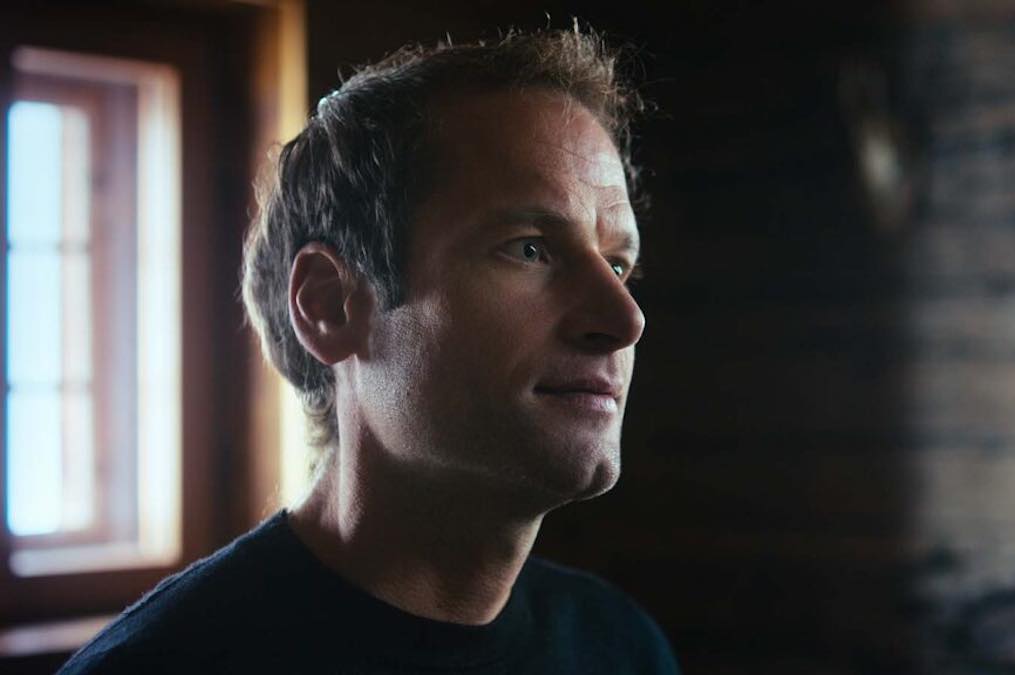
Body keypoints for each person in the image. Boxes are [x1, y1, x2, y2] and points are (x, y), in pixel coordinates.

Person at [60, 27, 678, 674]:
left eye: (618, 264)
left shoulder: (623, 646)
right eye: (529, 249)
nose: (625, 319)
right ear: (330, 306)